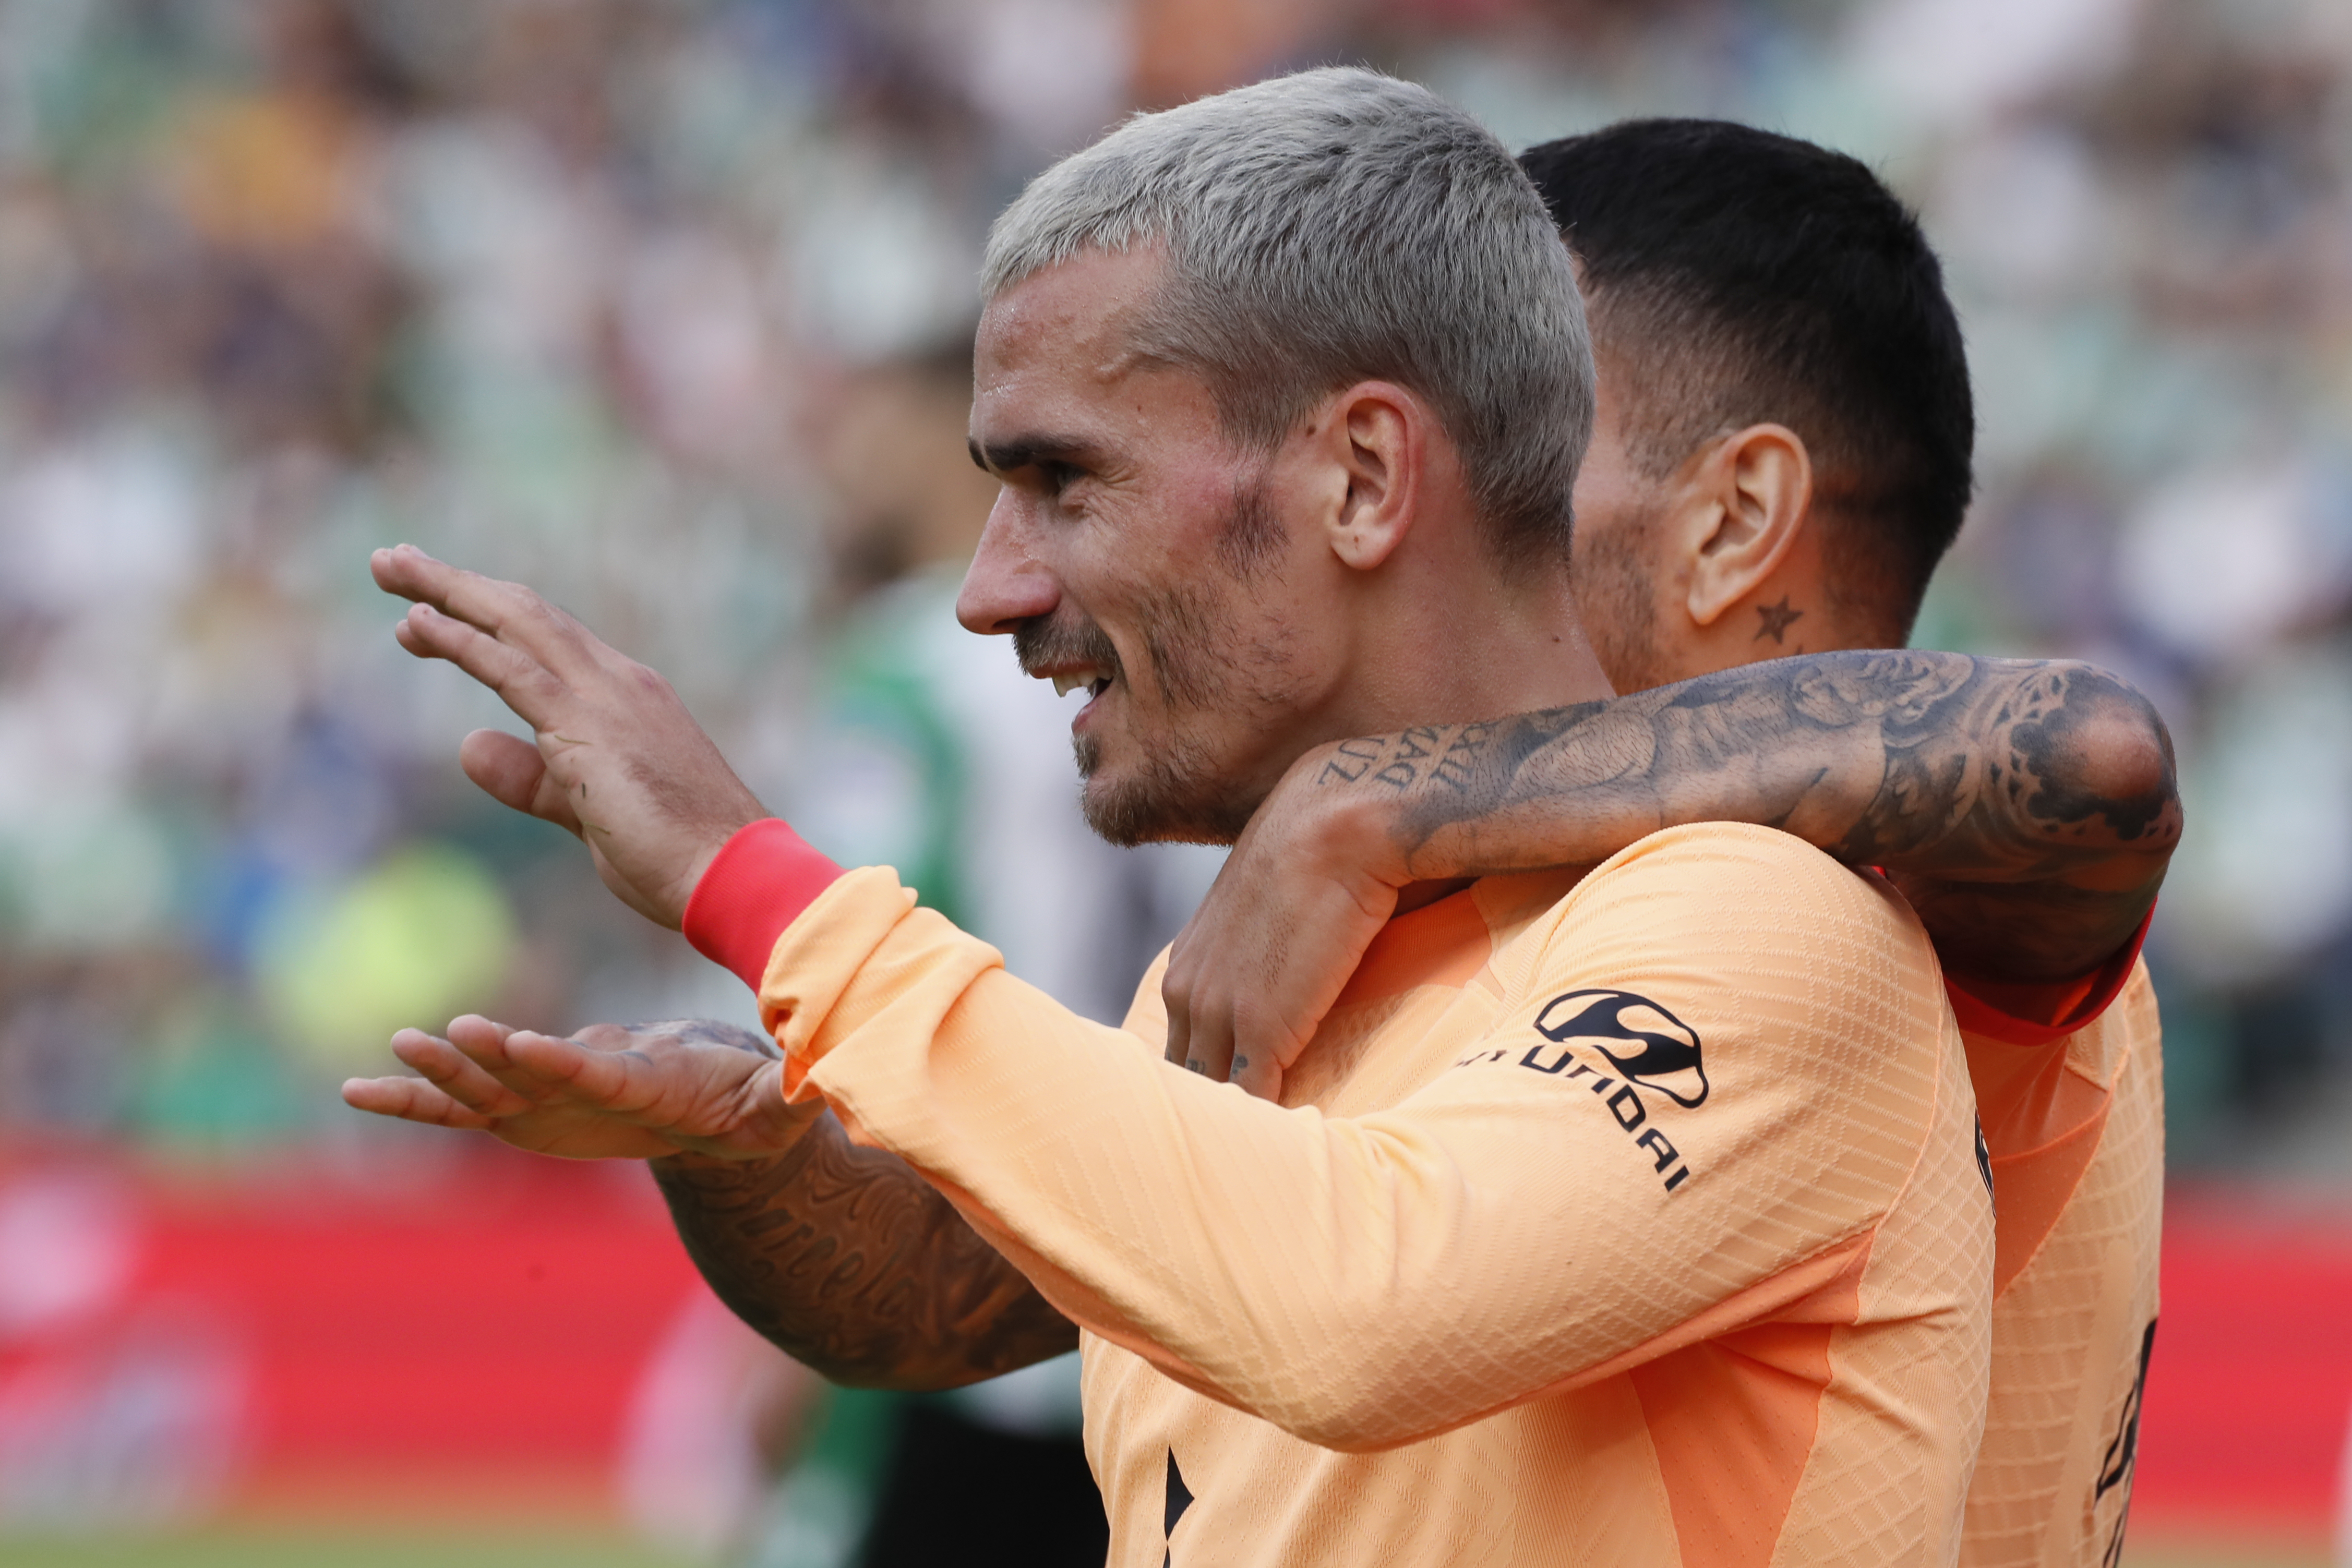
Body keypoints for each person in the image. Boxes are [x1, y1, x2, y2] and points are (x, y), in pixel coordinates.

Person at [346, 71, 2002, 1564]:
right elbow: (944, 1297)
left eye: (1067, 483)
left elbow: (1356, 1315)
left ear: (1360, 479)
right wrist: (757, 1152)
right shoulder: (1260, 966)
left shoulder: (1763, 923)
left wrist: (754, 882)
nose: (989, 592)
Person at [1158, 120, 2175, 1568]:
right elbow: (971, 1287)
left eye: (1511, 452)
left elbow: (2088, 756)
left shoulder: (1906, 914)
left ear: (1732, 519)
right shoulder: (1568, 898)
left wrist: (1374, 797)